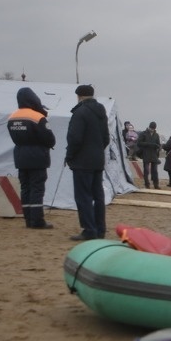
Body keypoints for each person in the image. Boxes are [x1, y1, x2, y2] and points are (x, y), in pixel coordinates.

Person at [6, 87, 56, 229]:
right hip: (37, 157)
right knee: (37, 189)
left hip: (20, 156)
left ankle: (28, 219)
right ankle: (37, 220)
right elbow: (49, 139)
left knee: (25, 188)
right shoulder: (37, 117)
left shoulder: (12, 117)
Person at [65, 84, 110, 241]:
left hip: (82, 161)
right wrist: (97, 150)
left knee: (83, 196)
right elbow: (106, 138)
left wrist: (69, 156)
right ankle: (100, 229)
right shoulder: (101, 112)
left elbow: (74, 138)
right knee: (98, 195)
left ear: (79, 96)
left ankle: (89, 230)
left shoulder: (80, 112)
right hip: (98, 160)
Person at [136, 122, 162, 189]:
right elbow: (139, 143)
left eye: (153, 129)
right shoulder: (143, 133)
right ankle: (147, 184)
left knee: (155, 171)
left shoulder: (156, 135)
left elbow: (158, 144)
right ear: (149, 127)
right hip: (146, 154)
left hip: (154, 155)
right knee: (146, 170)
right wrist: (149, 144)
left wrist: (158, 147)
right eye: (151, 128)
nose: (152, 130)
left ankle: (156, 185)